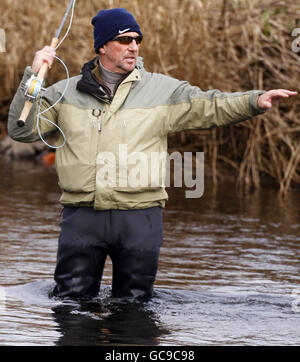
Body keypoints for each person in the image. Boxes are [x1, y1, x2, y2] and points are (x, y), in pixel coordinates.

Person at [7, 8, 297, 300]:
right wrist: (34, 77)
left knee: (135, 311)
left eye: (137, 39)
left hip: (140, 220)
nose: (133, 46)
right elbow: (22, 131)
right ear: (103, 46)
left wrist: (254, 101)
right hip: (81, 217)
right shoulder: (64, 92)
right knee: (71, 305)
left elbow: (211, 105)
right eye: (124, 39)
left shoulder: (162, 90)